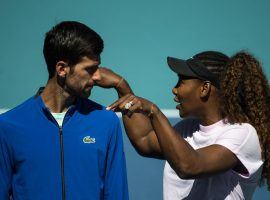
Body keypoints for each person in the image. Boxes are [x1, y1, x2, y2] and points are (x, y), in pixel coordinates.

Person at [95, 51, 270, 199]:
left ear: (204, 88)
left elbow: (189, 166)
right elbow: (144, 140)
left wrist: (154, 111)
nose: (175, 89)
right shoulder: (188, 128)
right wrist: (122, 86)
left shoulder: (243, 134)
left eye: (181, 82)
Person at [0, 21, 129, 200]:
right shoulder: (8, 127)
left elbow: (117, 195)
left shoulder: (107, 123)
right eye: (90, 69)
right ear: (62, 69)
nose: (98, 77)